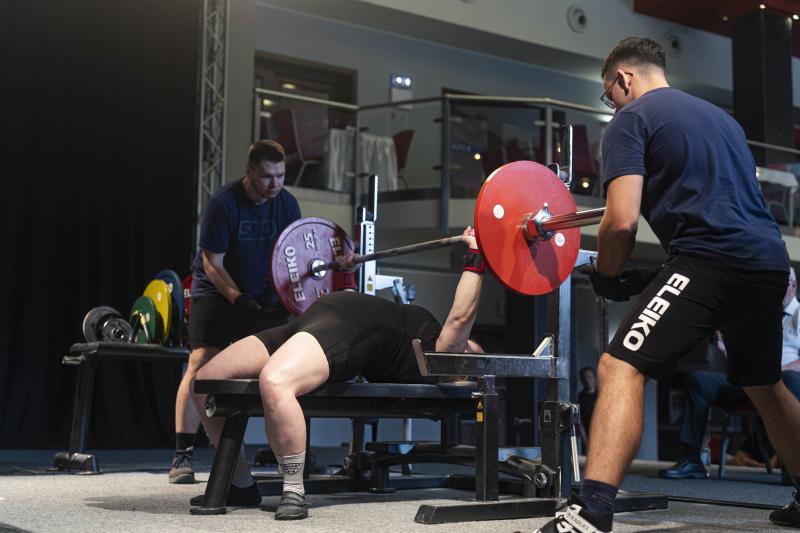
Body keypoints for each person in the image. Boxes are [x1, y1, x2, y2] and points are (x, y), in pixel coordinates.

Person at [534, 37, 800, 533]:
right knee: (764, 383)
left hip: (711, 259)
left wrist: (607, 274)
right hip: (768, 263)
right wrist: (658, 275)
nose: (612, 103)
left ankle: (592, 512)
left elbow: (620, 222)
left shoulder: (630, 119)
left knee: (620, 365)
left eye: (609, 94)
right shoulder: (722, 121)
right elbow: (721, 210)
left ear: (624, 79)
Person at [189, 227, 485, 520]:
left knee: (275, 381)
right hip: (317, 315)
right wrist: (344, 271)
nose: (471, 346)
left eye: (474, 354)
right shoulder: (430, 333)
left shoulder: (440, 359)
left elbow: (461, 317)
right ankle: (240, 485)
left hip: (345, 332)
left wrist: (476, 254)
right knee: (204, 381)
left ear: (459, 372)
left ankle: (293, 490)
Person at [169, 140, 302, 484]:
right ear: (250, 172)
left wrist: (280, 296)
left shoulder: (287, 204)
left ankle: (292, 451)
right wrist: (237, 298)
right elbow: (212, 263)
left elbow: (291, 254)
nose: (274, 184)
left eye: (280, 176)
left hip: (263, 293)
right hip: (217, 291)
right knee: (200, 363)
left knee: (286, 366)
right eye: (266, 177)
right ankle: (183, 454)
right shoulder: (223, 204)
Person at [660, 267, 800, 479]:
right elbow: (744, 361)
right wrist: (725, 350)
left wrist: (775, 372)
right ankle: (692, 460)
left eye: (778, 284)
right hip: (753, 381)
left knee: (791, 379)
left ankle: (794, 469)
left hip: (784, 383)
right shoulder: (762, 316)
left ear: (793, 286)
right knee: (699, 380)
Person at [577, 367, 598, 453]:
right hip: (587, 438)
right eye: (584, 378)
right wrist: (586, 443)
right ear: (581, 380)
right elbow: (580, 422)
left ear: (594, 379)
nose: (587, 380)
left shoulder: (601, 396)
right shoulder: (580, 397)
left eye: (589, 377)